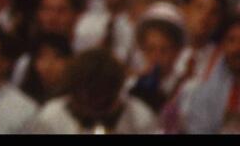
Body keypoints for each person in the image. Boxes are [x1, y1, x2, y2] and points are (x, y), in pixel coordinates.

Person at [28, 47, 160, 134]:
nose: (92, 108)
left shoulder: (140, 117)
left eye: (100, 100)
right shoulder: (50, 117)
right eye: (85, 100)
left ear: (115, 92)